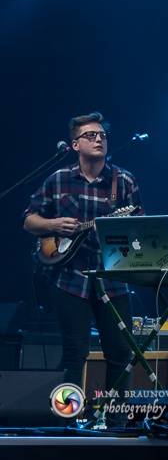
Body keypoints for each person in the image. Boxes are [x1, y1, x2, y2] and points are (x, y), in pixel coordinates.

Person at [24, 112, 143, 393]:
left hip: (112, 277)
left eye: (102, 135)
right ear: (75, 145)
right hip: (70, 277)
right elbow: (29, 220)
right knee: (74, 355)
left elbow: (139, 227)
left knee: (121, 355)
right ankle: (68, 419)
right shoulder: (59, 179)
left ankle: (115, 422)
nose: (99, 139)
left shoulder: (123, 181)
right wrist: (53, 224)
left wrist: (126, 230)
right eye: (91, 135)